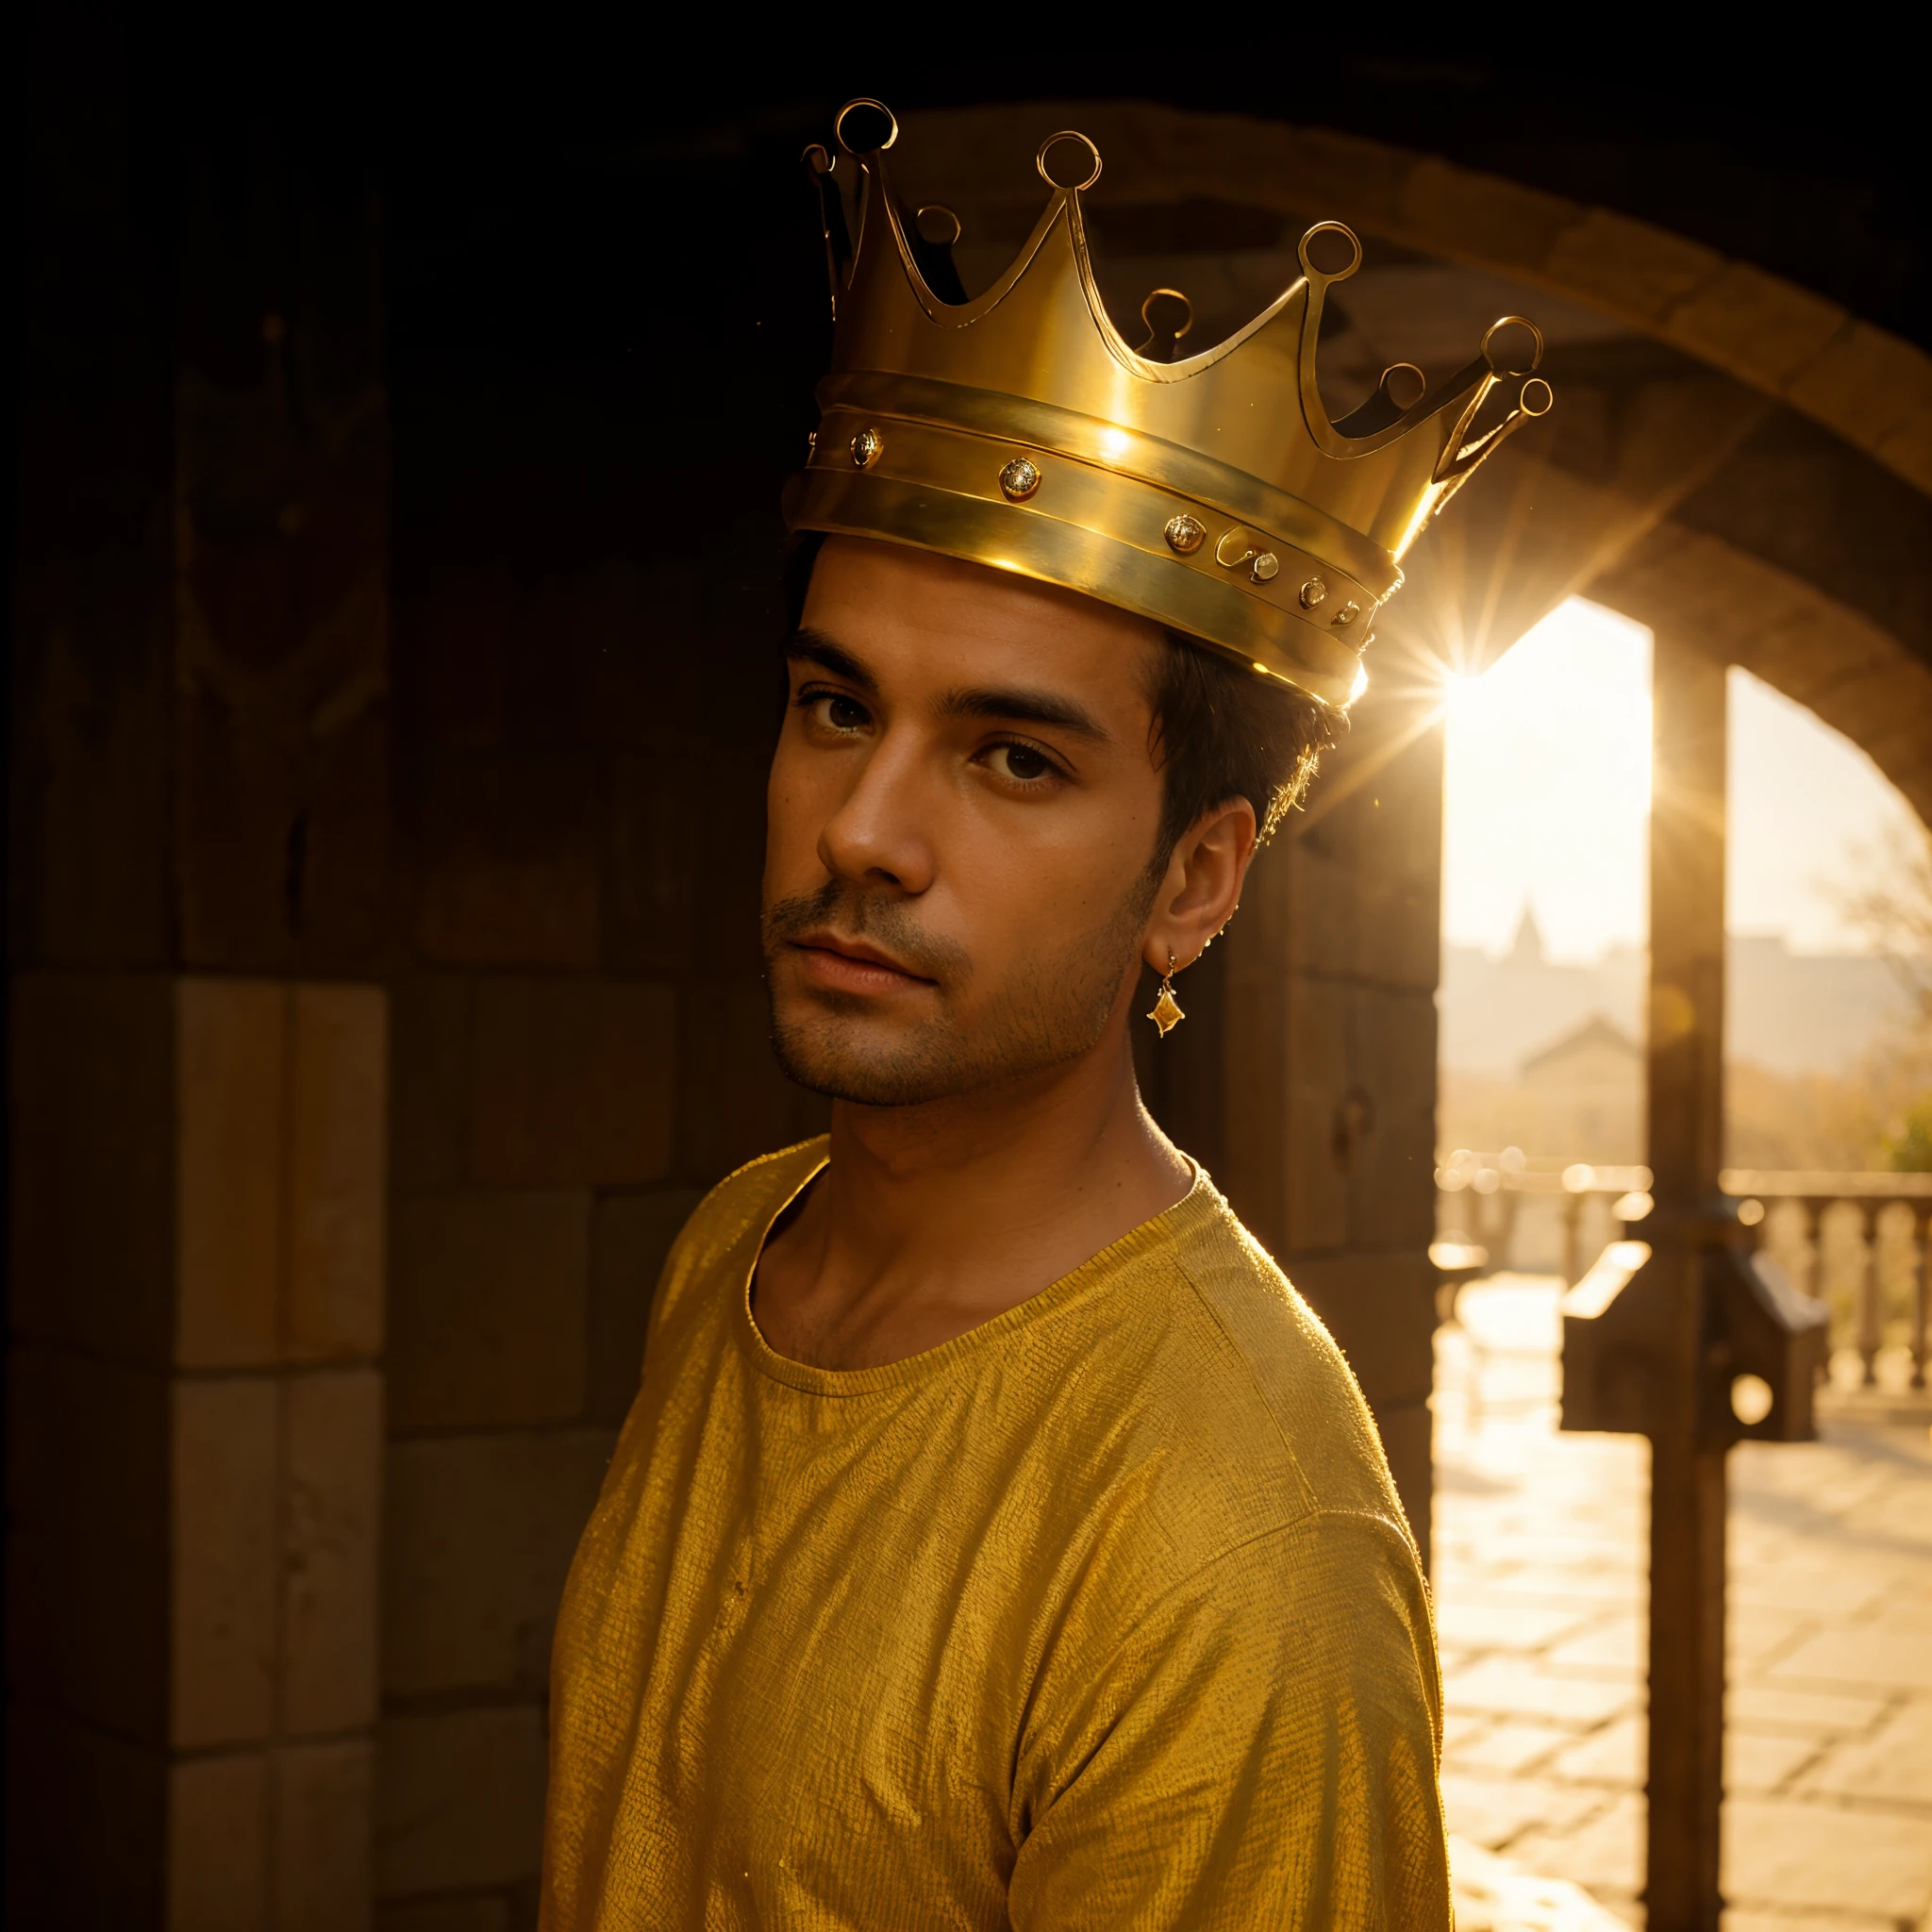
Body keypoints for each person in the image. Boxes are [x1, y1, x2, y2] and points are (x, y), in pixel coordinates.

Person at [540, 100, 1550, 1929]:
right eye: (837, 708)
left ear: (1194, 882)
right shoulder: (735, 1250)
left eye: (1012, 757)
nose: (860, 830)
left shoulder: (1234, 1542)